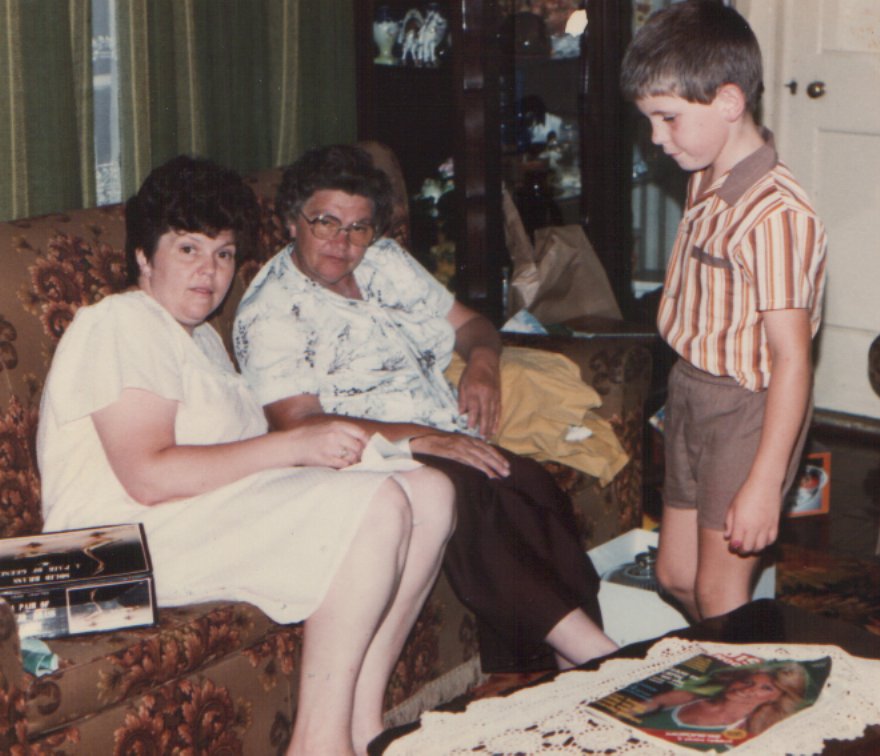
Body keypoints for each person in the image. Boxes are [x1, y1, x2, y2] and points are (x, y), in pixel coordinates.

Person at [35, 156, 456, 755]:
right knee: (378, 504)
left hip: (186, 521)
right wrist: (293, 444)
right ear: (144, 256)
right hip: (107, 552)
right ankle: (318, 745)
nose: (209, 271)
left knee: (430, 491)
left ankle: (366, 726)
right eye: (188, 249)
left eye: (224, 253)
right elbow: (148, 476)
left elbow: (237, 464)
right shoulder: (121, 322)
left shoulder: (202, 339)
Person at [232, 144, 617, 672]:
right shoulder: (271, 312)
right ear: (291, 221)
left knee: (531, 485)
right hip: (361, 459)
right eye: (326, 223)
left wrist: (483, 362)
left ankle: (566, 674)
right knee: (469, 494)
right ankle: (600, 661)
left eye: (358, 228)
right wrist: (419, 439)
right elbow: (297, 423)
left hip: (445, 433)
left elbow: (472, 325)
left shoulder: (386, 261)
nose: (342, 243)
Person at [620, 1, 828, 620]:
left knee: (720, 593)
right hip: (690, 389)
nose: (657, 137)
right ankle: (739, 658)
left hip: (746, 408)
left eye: (668, 118)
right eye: (650, 120)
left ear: (730, 101)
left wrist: (765, 483)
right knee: (676, 575)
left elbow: (793, 360)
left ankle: (746, 677)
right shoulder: (704, 174)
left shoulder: (776, 215)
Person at [633, 663, 811, 735]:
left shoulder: (755, 731)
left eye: (766, 688)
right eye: (747, 681)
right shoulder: (685, 698)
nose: (748, 689)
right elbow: (627, 712)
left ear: (776, 698)